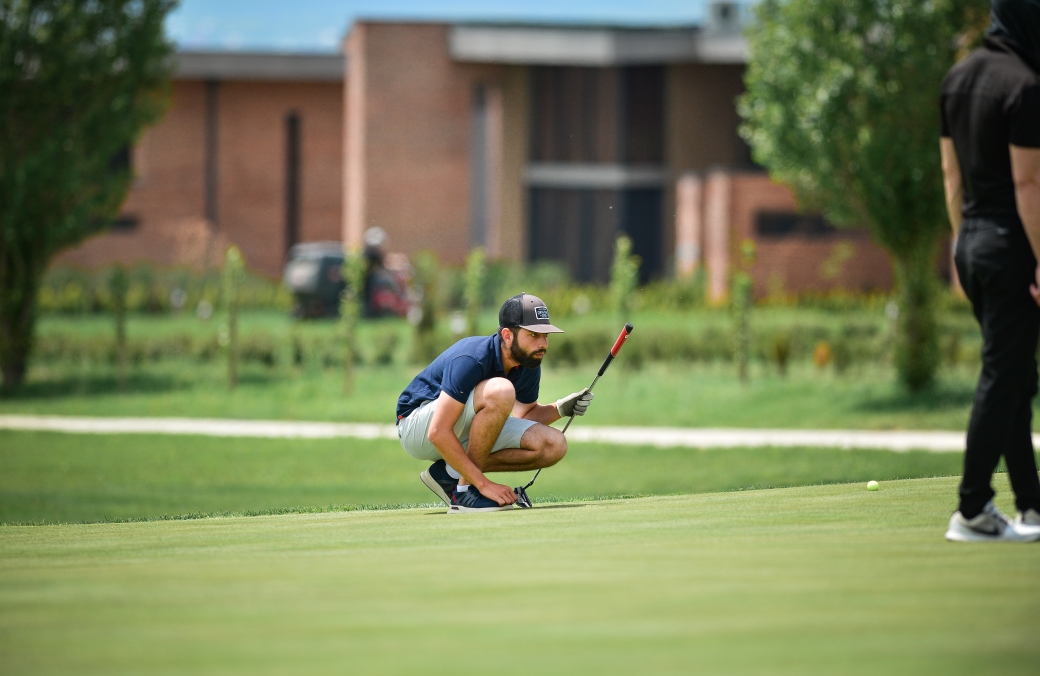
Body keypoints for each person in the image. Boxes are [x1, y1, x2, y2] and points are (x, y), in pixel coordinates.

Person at [940, 0, 1040, 542]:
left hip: (973, 242)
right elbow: (1028, 186)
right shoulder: (1024, 84)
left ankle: (1032, 505)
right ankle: (973, 507)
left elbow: (950, 174)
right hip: (1012, 247)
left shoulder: (958, 78)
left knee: (1017, 376)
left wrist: (962, 245)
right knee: (1005, 377)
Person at [396, 293, 594, 513]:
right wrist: (484, 483)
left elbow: (525, 416)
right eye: (533, 335)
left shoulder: (528, 363)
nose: (543, 344)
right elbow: (437, 431)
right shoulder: (472, 356)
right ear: (508, 335)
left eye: (545, 336)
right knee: (501, 390)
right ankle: (464, 493)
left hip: (454, 428)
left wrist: (560, 409)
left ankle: (450, 472)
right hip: (416, 426)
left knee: (554, 445)